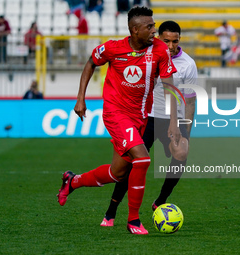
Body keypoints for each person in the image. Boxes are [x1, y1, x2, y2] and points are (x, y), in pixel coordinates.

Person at [57, 6, 180, 235]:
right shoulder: (113, 48)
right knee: (142, 160)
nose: (154, 30)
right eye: (149, 27)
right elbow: (91, 62)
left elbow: (169, 86)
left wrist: (173, 121)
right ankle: (133, 220)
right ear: (134, 30)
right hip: (115, 113)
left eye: (154, 25)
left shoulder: (160, 50)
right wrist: (80, 98)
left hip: (140, 117)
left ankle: (72, 182)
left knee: (118, 173)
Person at [100, 20, 197, 227]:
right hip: (147, 117)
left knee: (182, 152)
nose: (170, 46)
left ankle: (161, 201)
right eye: (166, 41)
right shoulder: (147, 55)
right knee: (129, 165)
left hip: (174, 119)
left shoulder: (188, 64)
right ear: (158, 38)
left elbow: (189, 99)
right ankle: (111, 210)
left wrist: (186, 131)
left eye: (175, 41)